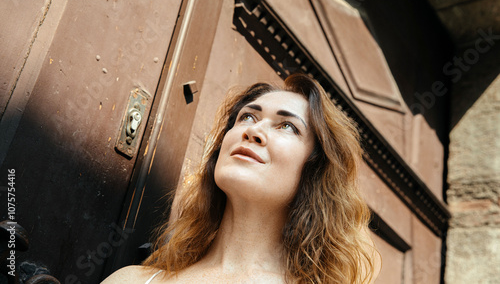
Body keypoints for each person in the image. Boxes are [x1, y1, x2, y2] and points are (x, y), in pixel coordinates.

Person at [102, 73, 380, 283]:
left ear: (315, 171)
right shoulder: (132, 281)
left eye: (287, 126)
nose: (254, 130)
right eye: (247, 117)